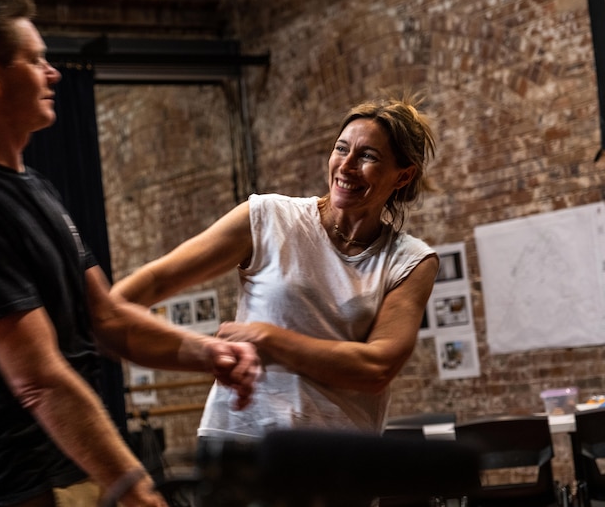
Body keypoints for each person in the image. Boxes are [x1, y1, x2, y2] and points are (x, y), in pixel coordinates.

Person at [0, 0, 259, 507]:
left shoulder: (33, 186)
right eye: (36, 59)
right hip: (15, 491)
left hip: (72, 475)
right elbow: (39, 381)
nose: (54, 73)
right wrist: (135, 488)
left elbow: (107, 320)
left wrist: (209, 354)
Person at [111, 97, 439, 441]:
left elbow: (375, 368)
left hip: (341, 455)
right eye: (341, 149)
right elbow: (153, 282)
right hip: (243, 438)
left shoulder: (411, 261)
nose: (346, 166)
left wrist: (267, 337)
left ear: (403, 176)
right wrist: (113, 318)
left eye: (368, 156)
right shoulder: (267, 217)